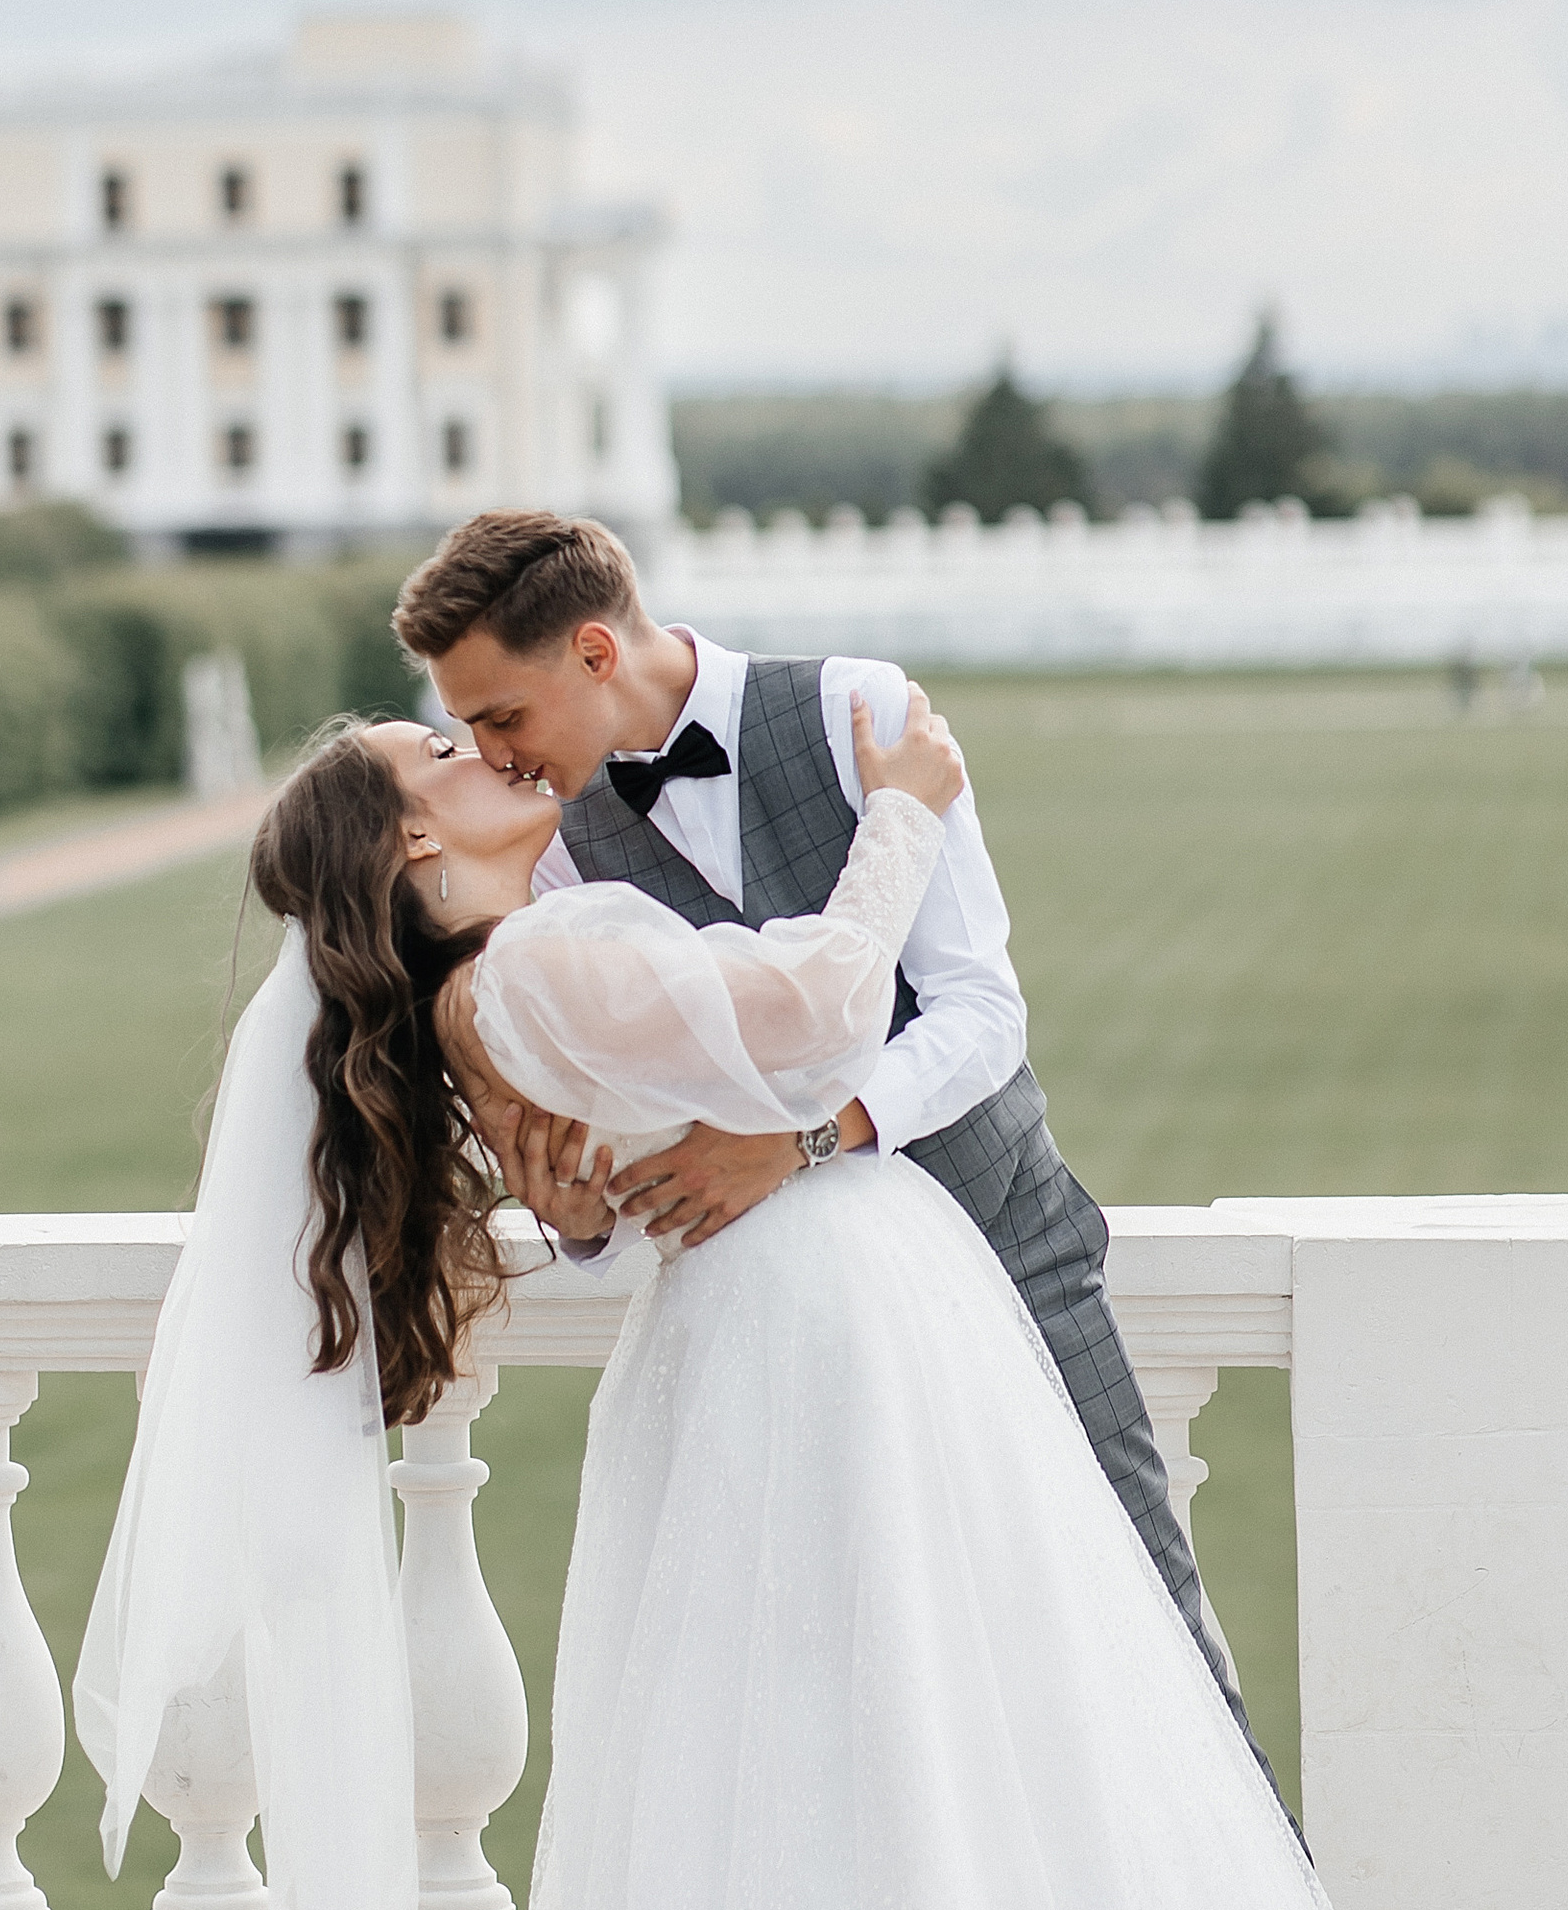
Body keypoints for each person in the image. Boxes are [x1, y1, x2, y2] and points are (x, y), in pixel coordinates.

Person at [77, 686, 1474, 1910]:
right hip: (818, 1323)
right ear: (413, 842)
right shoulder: (547, 951)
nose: (467, 743)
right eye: (435, 755)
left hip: (771, 1329)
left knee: (811, 1787)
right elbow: (818, 1019)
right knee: (920, 1746)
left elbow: (593, 1191)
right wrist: (906, 806)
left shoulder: (479, 995)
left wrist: (587, 1194)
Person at [388, 510, 1285, 1807]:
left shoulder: (861, 715)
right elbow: (613, 1151)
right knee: (872, 1723)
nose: (493, 757)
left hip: (1008, 1255)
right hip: (803, 1352)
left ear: (594, 651)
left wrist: (808, 1137)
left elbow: (979, 1014)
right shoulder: (556, 850)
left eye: (504, 718)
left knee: (1150, 1635)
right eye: (467, 731)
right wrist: (578, 1214)